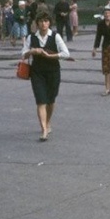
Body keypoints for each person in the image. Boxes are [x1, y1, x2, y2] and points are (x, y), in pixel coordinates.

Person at [22, 11, 74, 141]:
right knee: (41, 100)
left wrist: (50, 56)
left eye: (46, 21)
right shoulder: (31, 37)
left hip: (53, 72)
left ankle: (48, 121)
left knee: (50, 100)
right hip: (37, 72)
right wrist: (32, 51)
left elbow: (66, 53)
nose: (43, 24)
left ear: (49, 23)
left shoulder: (55, 36)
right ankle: (44, 129)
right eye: (41, 21)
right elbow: (23, 54)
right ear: (37, 23)